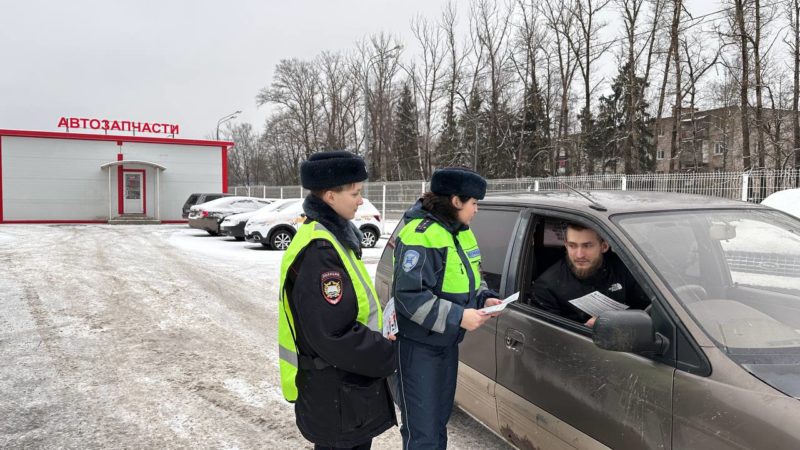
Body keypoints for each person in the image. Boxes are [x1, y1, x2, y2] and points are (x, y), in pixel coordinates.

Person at [277, 150, 396, 450]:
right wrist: (388, 352)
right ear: (330, 196)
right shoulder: (320, 249)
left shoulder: (335, 237)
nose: (361, 200)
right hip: (337, 395)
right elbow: (334, 334)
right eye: (355, 193)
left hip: (344, 391)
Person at [391, 167, 502, 450]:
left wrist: (484, 298)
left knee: (438, 425)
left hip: (446, 344)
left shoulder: (462, 233)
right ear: (456, 201)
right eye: (474, 203)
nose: (477, 210)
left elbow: (470, 279)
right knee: (422, 433)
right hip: (418, 349)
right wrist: (458, 316)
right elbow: (409, 297)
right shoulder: (421, 235)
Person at [532, 222, 649, 326]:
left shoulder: (624, 268)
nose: (579, 255)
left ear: (604, 246)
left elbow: (648, 309)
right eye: (572, 246)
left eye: (587, 246)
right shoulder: (547, 285)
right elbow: (548, 336)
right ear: (566, 245)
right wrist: (585, 329)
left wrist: (620, 320)